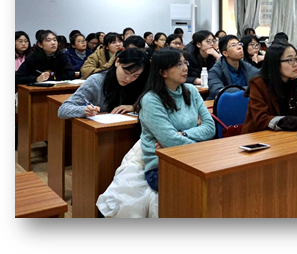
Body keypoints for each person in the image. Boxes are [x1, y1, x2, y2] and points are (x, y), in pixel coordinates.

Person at [137, 49, 215, 192]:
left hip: (193, 159)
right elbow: (171, 141)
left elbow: (210, 128)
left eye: (185, 63)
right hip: (162, 165)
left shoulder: (191, 90)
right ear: (163, 72)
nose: (185, 68)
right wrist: (203, 148)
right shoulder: (151, 100)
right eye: (179, 64)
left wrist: (183, 133)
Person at [241, 41, 297, 134]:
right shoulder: (258, 84)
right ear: (275, 63)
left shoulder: (294, 81)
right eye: (290, 60)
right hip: (259, 136)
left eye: (296, 59)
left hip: (287, 134)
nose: (295, 64)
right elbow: (262, 120)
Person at [58, 48, 149, 119]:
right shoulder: (96, 81)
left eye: (135, 75)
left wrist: (134, 107)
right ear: (117, 62)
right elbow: (63, 109)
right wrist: (84, 110)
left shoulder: (140, 81)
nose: (128, 79)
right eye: (126, 72)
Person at [208, 35, 260, 99]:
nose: (239, 47)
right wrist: (249, 89)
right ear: (225, 53)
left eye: (239, 44)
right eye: (233, 45)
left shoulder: (246, 67)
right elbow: (219, 91)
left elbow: (261, 81)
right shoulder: (215, 71)